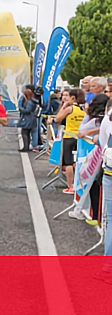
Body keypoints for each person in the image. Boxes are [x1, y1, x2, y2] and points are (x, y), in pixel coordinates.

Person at [70, 94, 109, 222]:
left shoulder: (101, 120)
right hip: (99, 158)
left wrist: (91, 135)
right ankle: (96, 216)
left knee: (95, 185)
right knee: (95, 185)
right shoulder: (98, 119)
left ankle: (97, 217)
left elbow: (85, 131)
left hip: (100, 159)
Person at [54, 88, 85, 194]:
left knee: (68, 163)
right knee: (78, 161)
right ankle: (78, 185)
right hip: (80, 138)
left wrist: (63, 107)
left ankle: (70, 186)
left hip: (68, 137)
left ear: (73, 97)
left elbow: (58, 118)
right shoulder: (84, 110)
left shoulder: (70, 109)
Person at [95, 96, 112, 284]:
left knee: (111, 220)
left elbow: (102, 142)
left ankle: (108, 268)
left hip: (111, 171)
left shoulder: (109, 116)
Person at [18, 85, 39, 153]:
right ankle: (27, 146)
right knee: (28, 133)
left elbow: (27, 110)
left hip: (28, 119)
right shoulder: (34, 101)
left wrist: (20, 109)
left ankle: (25, 147)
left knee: (24, 132)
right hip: (32, 119)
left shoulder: (29, 102)